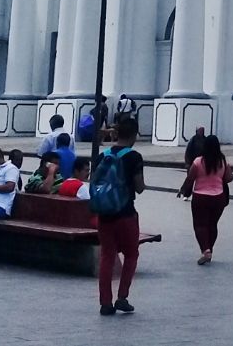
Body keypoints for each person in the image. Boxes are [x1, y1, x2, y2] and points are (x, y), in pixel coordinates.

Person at [96, 116, 145, 316]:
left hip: (104, 213)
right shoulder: (134, 157)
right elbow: (140, 187)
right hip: (125, 213)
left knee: (107, 257)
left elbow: (95, 181)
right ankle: (122, 297)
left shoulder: (103, 155)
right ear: (134, 135)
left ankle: (105, 303)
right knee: (131, 254)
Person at [178, 134, 233, 265]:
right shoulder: (223, 161)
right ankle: (209, 249)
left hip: (200, 197)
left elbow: (190, 178)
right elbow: (229, 178)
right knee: (212, 225)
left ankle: (205, 250)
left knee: (199, 225)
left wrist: (183, 189)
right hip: (219, 197)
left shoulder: (198, 161)